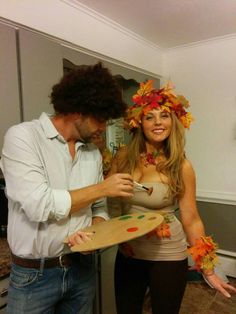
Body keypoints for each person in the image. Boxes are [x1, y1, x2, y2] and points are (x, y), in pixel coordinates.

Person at [0, 62, 134, 314]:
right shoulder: (22, 137)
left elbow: (99, 208)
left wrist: (93, 231)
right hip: (33, 276)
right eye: (101, 118)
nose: (104, 127)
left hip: (82, 270)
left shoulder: (91, 153)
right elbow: (39, 205)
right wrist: (103, 187)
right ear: (78, 110)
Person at [107, 80, 236, 314]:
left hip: (168, 254)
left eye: (164, 115)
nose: (158, 122)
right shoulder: (123, 157)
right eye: (150, 116)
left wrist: (207, 269)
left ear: (173, 122)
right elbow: (112, 201)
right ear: (139, 123)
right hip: (129, 254)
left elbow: (191, 218)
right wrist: (116, 236)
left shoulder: (182, 166)